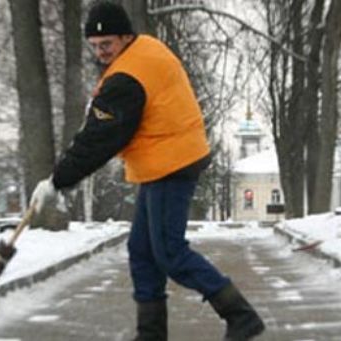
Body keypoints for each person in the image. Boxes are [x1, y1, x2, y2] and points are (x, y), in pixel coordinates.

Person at [29, 1, 265, 340]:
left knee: (169, 252)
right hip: (163, 159)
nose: (100, 53)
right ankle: (151, 333)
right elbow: (106, 123)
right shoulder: (143, 51)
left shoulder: (128, 75)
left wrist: (57, 180)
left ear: (125, 37)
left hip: (171, 162)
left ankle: (240, 316)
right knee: (142, 250)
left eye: (106, 45)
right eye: (94, 47)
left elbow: (99, 140)